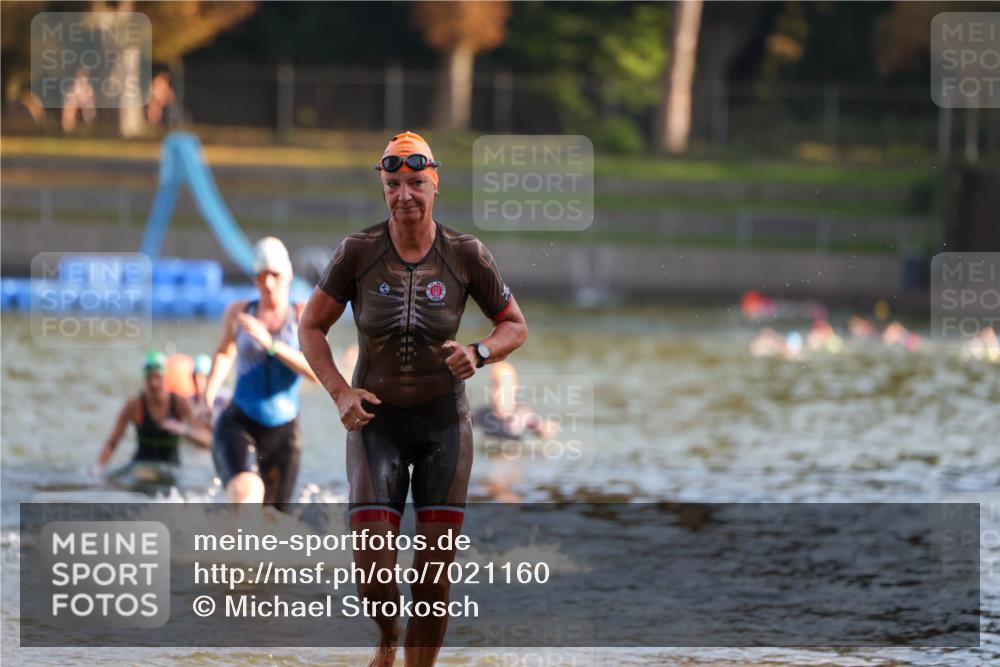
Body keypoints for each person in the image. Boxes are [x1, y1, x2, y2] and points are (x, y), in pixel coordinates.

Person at [299, 131, 528, 667]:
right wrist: (338, 391)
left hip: (443, 424)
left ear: (435, 184)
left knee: (432, 572)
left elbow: (514, 325)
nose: (406, 194)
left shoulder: (466, 254)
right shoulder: (358, 252)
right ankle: (387, 637)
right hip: (375, 423)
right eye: (394, 183)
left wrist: (481, 353)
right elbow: (310, 327)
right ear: (383, 188)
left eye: (416, 183)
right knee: (373, 562)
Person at [204, 237, 318, 510]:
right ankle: (221, 553)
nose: (267, 284)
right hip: (239, 422)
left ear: (288, 275)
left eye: (275, 275)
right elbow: (224, 352)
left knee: (273, 525)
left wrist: (270, 343)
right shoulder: (239, 312)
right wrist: (206, 397)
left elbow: (317, 372)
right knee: (247, 498)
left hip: (285, 433)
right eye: (260, 276)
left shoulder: (304, 316)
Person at [98, 350, 210, 488]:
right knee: (110, 482)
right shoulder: (134, 405)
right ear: (144, 379)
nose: (154, 383)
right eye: (149, 378)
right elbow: (112, 443)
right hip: (140, 467)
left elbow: (207, 441)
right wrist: (99, 470)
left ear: (165, 378)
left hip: (172, 470)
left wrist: (185, 430)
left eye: (158, 377)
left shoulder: (180, 403)